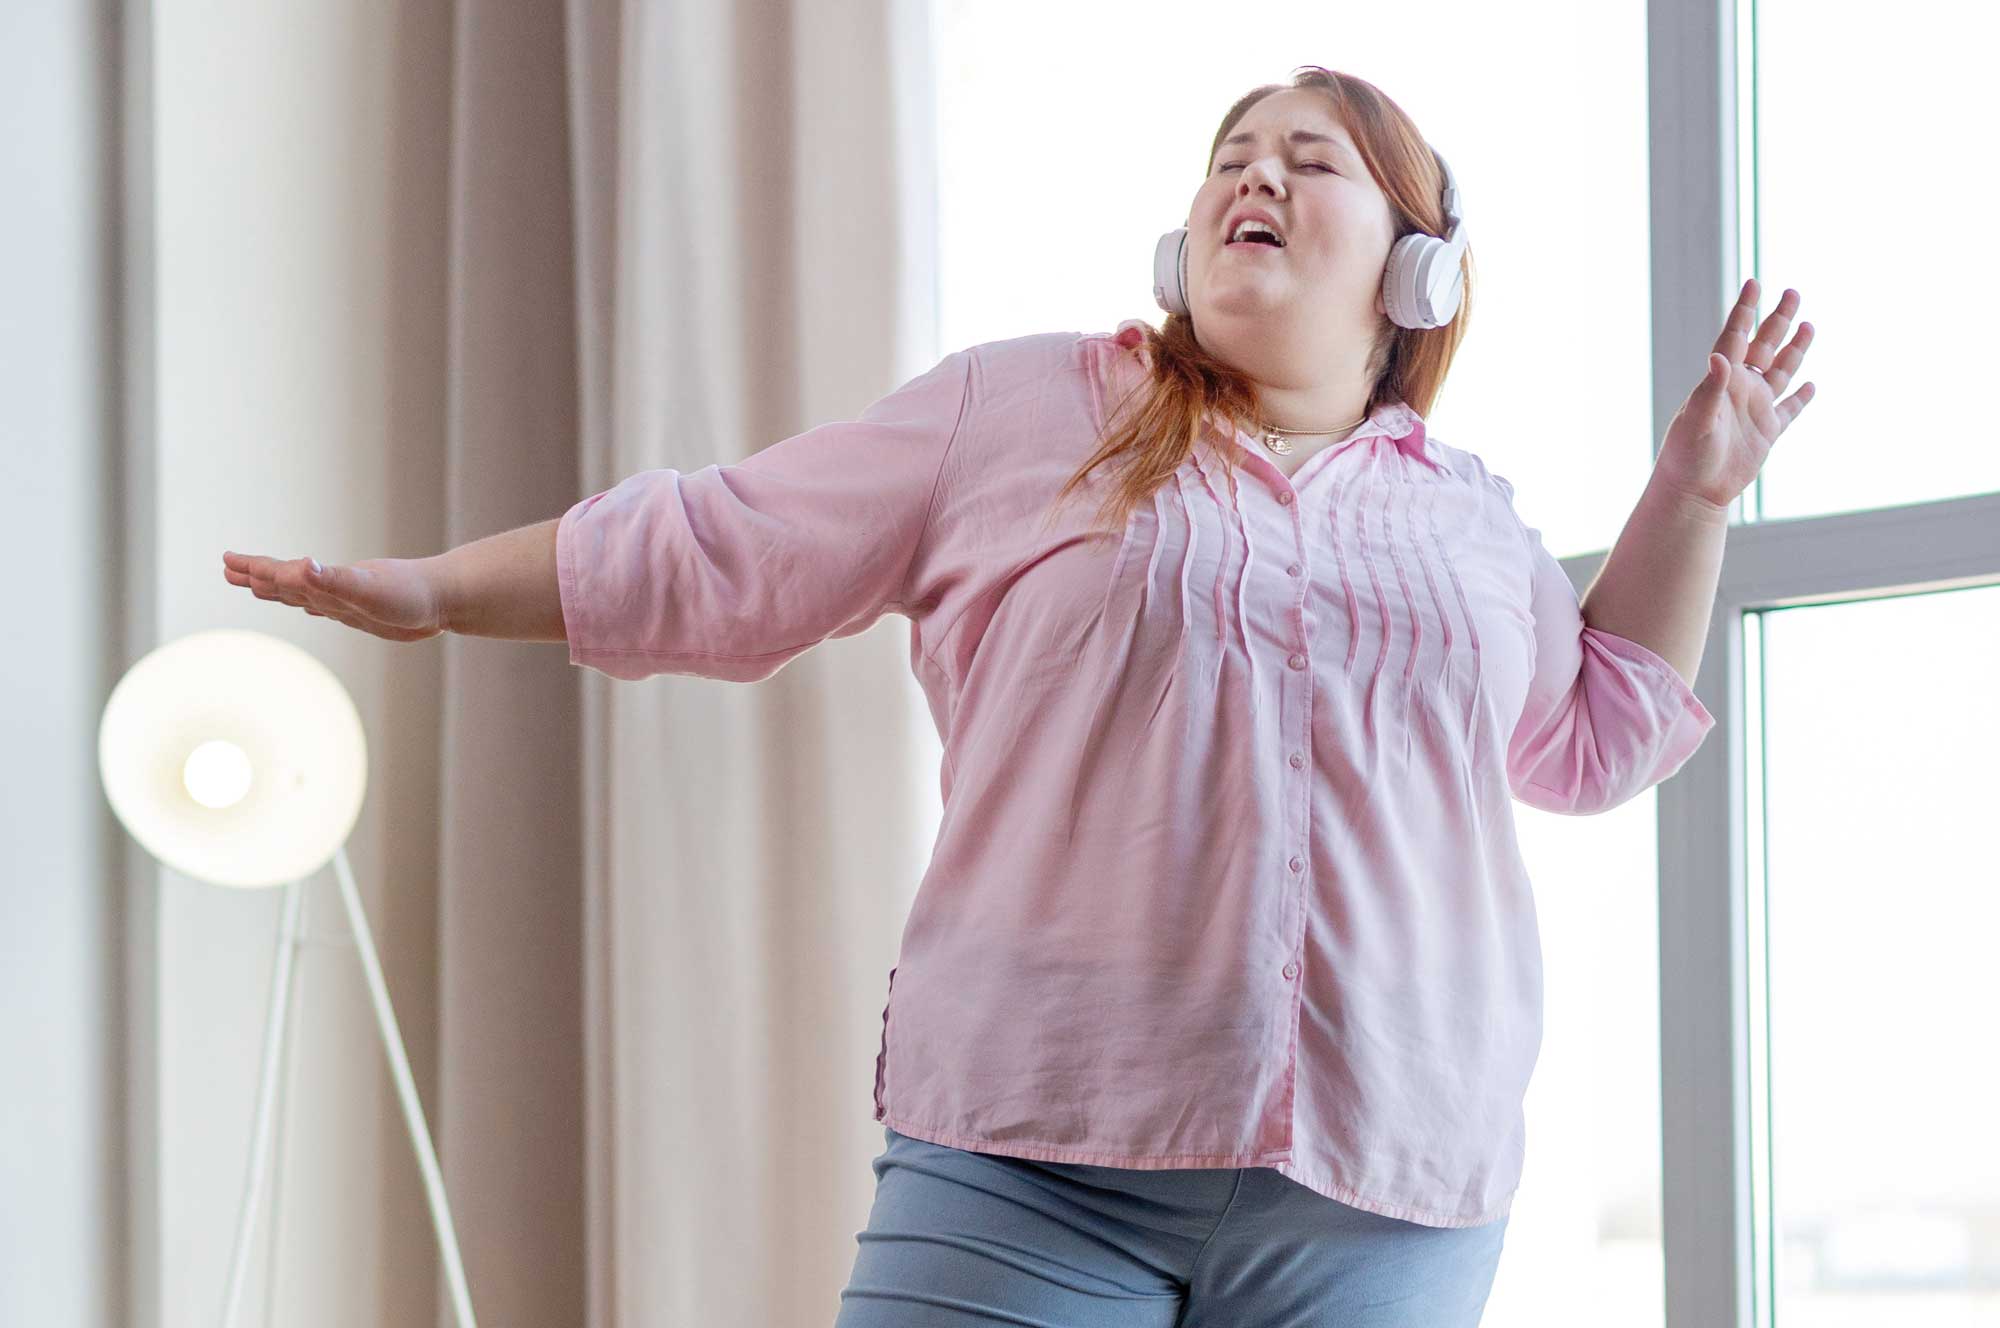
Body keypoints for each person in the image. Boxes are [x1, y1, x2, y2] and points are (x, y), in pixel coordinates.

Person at [223, 66, 1720, 1328]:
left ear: (1419, 268)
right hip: (1032, 1162)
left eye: (1307, 160)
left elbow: (1597, 733)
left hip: (1389, 1198)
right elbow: (718, 538)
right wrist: (432, 592)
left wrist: (1698, 489)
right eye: (1229, 160)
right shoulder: (1019, 412)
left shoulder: (1468, 522)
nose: (1250, 177)